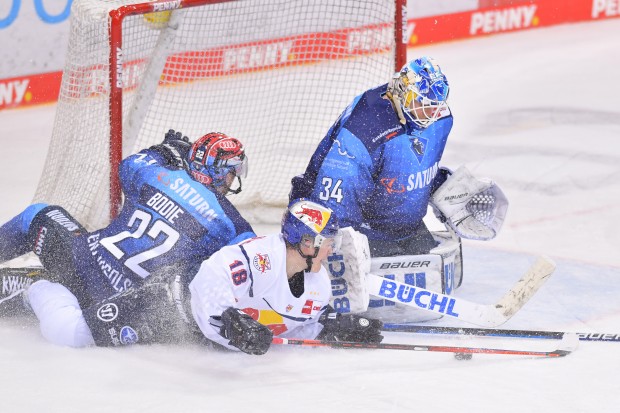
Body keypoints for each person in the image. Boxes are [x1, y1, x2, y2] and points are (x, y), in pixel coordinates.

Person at [289, 56, 508, 322]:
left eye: (435, 107)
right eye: (422, 105)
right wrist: (342, 255)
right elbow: (338, 195)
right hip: (361, 231)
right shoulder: (366, 126)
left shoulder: (439, 118)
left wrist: (443, 186)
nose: (429, 114)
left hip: (402, 228)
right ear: (401, 91)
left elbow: (408, 165)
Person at [0, 129, 255, 347]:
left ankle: (46, 285)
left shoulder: (157, 175)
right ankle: (38, 290)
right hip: (117, 306)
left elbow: (128, 165)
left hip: (78, 260)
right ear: (219, 172)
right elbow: (251, 267)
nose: (234, 178)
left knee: (37, 214)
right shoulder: (231, 225)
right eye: (232, 171)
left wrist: (164, 150)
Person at [187, 198, 383, 355]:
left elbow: (295, 329)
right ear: (307, 242)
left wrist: (331, 329)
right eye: (329, 243)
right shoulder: (262, 257)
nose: (331, 251)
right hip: (186, 325)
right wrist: (229, 319)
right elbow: (211, 276)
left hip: (227, 359)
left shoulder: (320, 284)